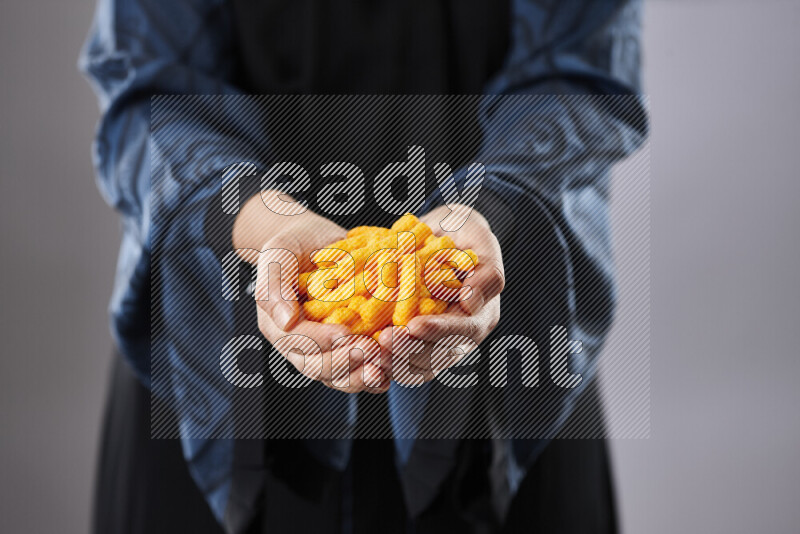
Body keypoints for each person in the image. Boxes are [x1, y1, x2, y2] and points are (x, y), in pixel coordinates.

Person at [80, 1, 647, 533]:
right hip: (213, 344)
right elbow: (148, 85)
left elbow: (579, 76)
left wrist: (497, 211)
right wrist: (260, 222)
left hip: (502, 333)